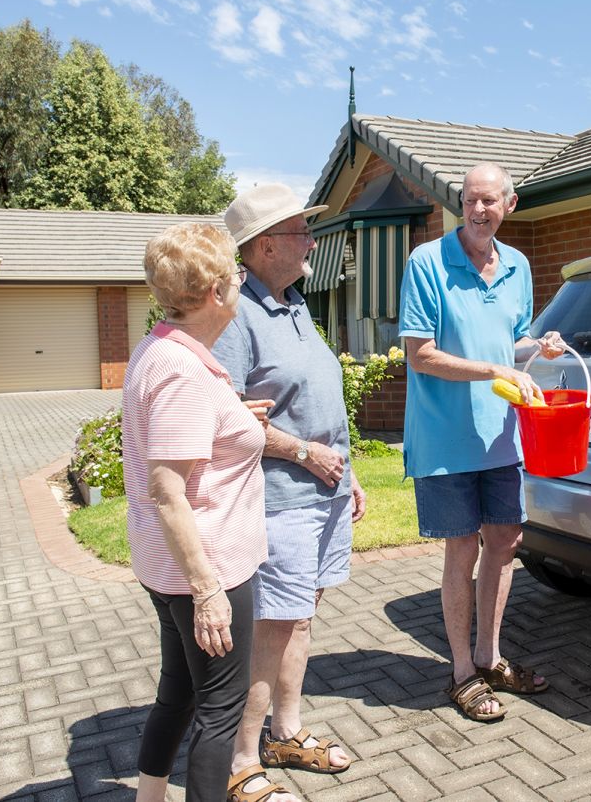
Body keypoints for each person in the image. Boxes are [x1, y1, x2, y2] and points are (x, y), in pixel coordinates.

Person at [212, 184, 366, 802]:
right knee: (273, 629)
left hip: (324, 491)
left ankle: (287, 732)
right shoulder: (237, 315)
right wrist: (303, 452)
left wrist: (346, 469)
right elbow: (225, 413)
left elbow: (317, 397)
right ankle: (241, 758)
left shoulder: (295, 302)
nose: (311, 240)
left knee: (300, 621)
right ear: (265, 245)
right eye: (302, 231)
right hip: (280, 497)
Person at [398, 162, 564, 722]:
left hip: (503, 438)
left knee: (505, 543)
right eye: (470, 200)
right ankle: (462, 672)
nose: (478, 210)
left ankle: (493, 658)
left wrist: (540, 346)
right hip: (445, 441)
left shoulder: (517, 266)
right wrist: (497, 366)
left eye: (490, 201)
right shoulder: (426, 263)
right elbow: (419, 355)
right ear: (460, 203)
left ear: (509, 205)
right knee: (461, 550)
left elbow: (511, 344)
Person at [124, 223, 272, 802]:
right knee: (220, 711)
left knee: (178, 695)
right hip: (206, 570)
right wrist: (208, 590)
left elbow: (185, 443)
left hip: (167, 568)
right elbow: (169, 491)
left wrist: (235, 419)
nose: (241, 279)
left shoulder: (166, 350)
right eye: (236, 272)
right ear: (215, 290)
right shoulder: (183, 371)